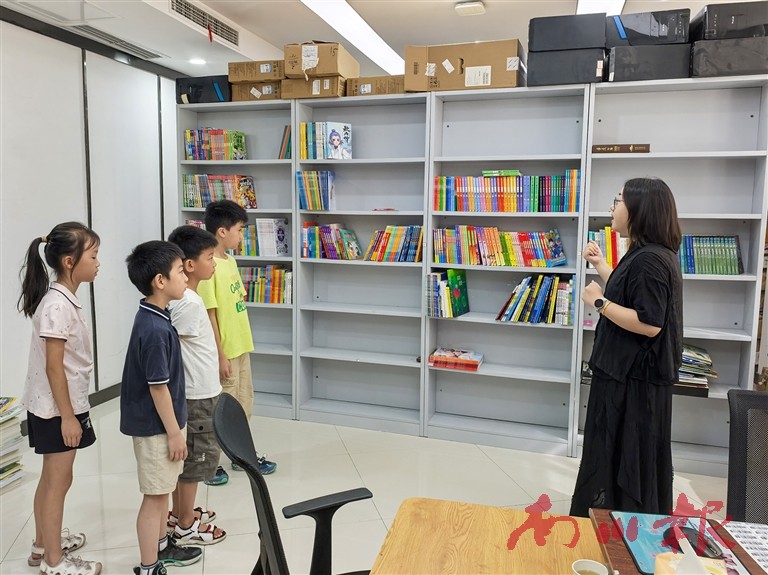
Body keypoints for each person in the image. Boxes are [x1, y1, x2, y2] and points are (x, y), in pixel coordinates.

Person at [570, 177, 683, 518]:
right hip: (627, 376)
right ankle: (613, 523)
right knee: (616, 457)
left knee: (621, 459)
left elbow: (649, 323)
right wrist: (601, 265)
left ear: (639, 211)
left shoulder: (650, 260)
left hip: (633, 383)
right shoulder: (647, 254)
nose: (612, 207)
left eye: (619, 200)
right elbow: (630, 291)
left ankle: (618, 527)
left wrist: (599, 302)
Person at [18, 222, 103, 575]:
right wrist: (68, 417)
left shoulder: (63, 300)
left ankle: (43, 544)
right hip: (57, 408)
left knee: (53, 479)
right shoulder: (57, 305)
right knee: (58, 482)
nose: (98, 263)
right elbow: (54, 367)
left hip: (56, 403)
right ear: (70, 262)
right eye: (93, 256)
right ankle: (54, 561)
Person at [121, 241, 203, 575]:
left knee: (162, 491)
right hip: (156, 428)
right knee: (154, 498)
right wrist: (174, 433)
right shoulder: (154, 329)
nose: (185, 278)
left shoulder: (156, 315)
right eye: (179, 272)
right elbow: (157, 388)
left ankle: (161, 546)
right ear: (160, 281)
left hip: (163, 424)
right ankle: (148, 566)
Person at [198, 200, 276, 485]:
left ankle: (240, 455)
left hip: (242, 346)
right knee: (221, 408)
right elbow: (210, 315)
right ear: (222, 231)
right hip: (226, 351)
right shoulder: (208, 267)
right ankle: (209, 463)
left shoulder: (229, 261)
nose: (242, 236)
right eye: (240, 230)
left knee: (244, 403)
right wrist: (220, 356)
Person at [166, 225, 227, 545]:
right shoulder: (187, 302)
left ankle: (180, 512)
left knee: (188, 460)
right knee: (195, 461)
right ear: (189, 265)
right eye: (209, 257)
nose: (214, 262)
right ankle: (186, 525)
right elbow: (169, 346)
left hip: (196, 391)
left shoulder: (188, 297)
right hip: (196, 394)